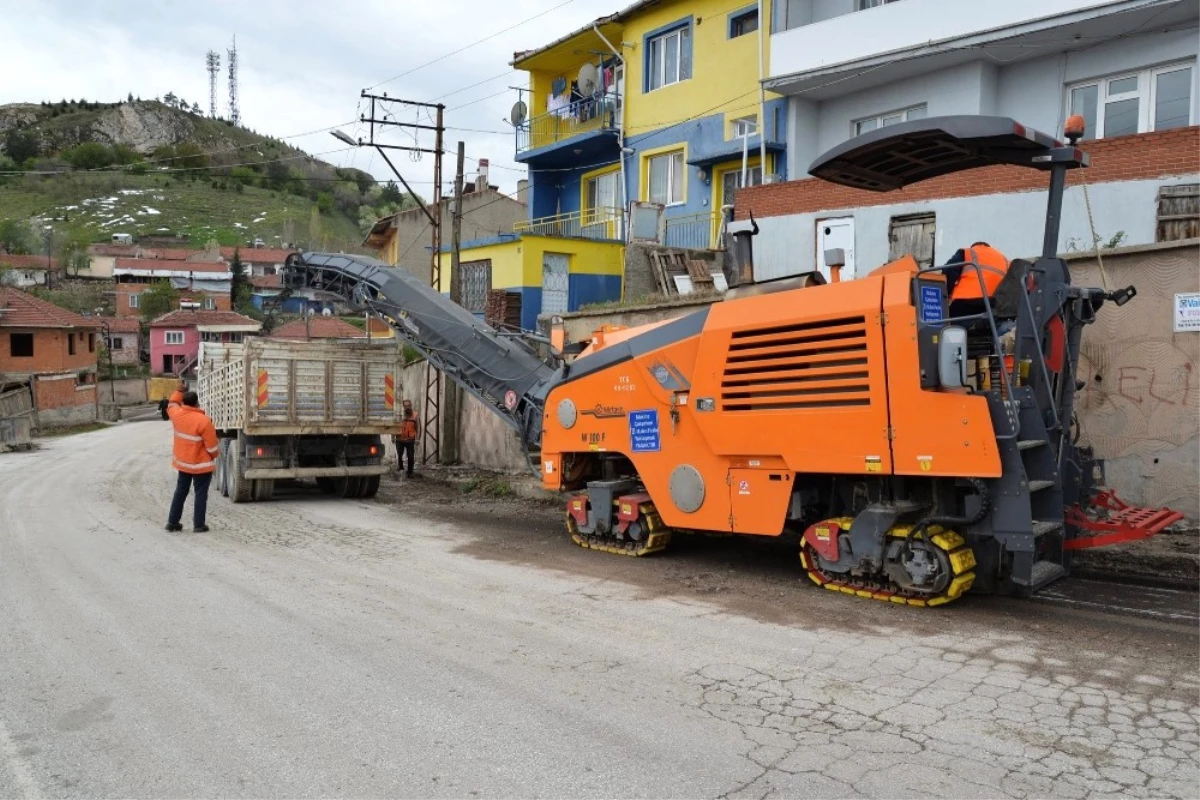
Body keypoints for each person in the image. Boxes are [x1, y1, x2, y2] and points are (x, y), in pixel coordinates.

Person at [165, 380, 219, 533]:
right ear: (197, 403)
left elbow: (172, 404)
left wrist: (178, 390)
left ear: (184, 402)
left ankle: (172, 522)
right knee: (200, 494)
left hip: (184, 464)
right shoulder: (203, 421)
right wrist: (213, 456)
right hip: (201, 466)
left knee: (180, 491)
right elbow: (212, 446)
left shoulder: (177, 415)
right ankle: (198, 525)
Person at [396, 399, 419, 478]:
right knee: (399, 455)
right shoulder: (399, 416)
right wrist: (393, 436)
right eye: (406, 406)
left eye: (409, 406)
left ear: (411, 406)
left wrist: (418, 439)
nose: (407, 407)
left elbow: (418, 428)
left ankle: (410, 472)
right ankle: (401, 468)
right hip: (399, 439)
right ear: (403, 407)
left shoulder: (415, 415)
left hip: (410, 439)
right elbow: (395, 426)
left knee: (411, 456)